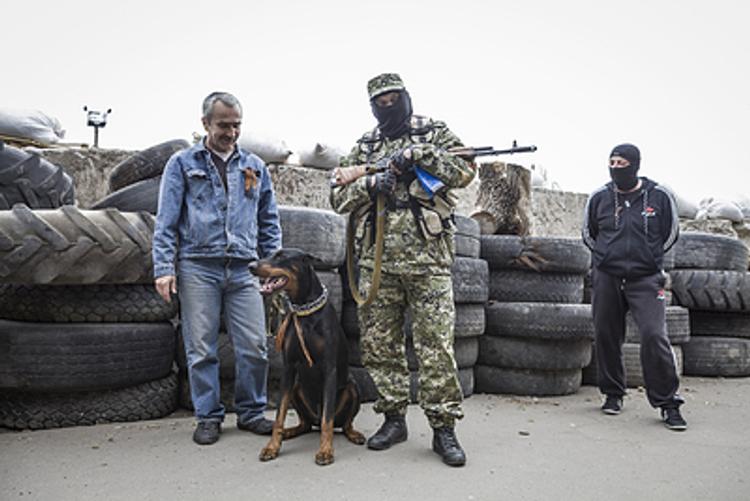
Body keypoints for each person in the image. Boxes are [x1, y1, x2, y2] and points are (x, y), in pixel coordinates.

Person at [330, 73, 476, 466]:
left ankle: (443, 429)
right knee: (380, 346)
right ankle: (394, 419)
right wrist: (374, 182)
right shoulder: (366, 145)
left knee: (436, 347)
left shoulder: (433, 132)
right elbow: (338, 196)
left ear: (407, 97)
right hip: (377, 261)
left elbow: (465, 170)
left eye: (396, 97)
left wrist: (418, 156)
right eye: (382, 100)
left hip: (429, 260)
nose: (389, 105)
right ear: (373, 106)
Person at [153, 91, 282, 445]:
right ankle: (208, 416)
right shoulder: (181, 163)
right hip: (198, 266)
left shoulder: (254, 166)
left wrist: (274, 268)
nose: (231, 132)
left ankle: (252, 412)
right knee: (201, 348)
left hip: (245, 269)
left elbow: (269, 221)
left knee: (255, 345)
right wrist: (164, 267)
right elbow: (165, 220)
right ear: (205, 123)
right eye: (223, 125)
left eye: (236, 125)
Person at [582, 143, 687, 431]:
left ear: (635, 165)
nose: (616, 167)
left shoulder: (659, 195)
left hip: (646, 278)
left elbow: (671, 234)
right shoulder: (600, 197)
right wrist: (606, 259)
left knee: (654, 335)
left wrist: (649, 260)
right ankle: (613, 394)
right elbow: (588, 235)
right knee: (606, 332)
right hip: (607, 275)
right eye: (612, 162)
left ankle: (668, 403)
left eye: (622, 163)